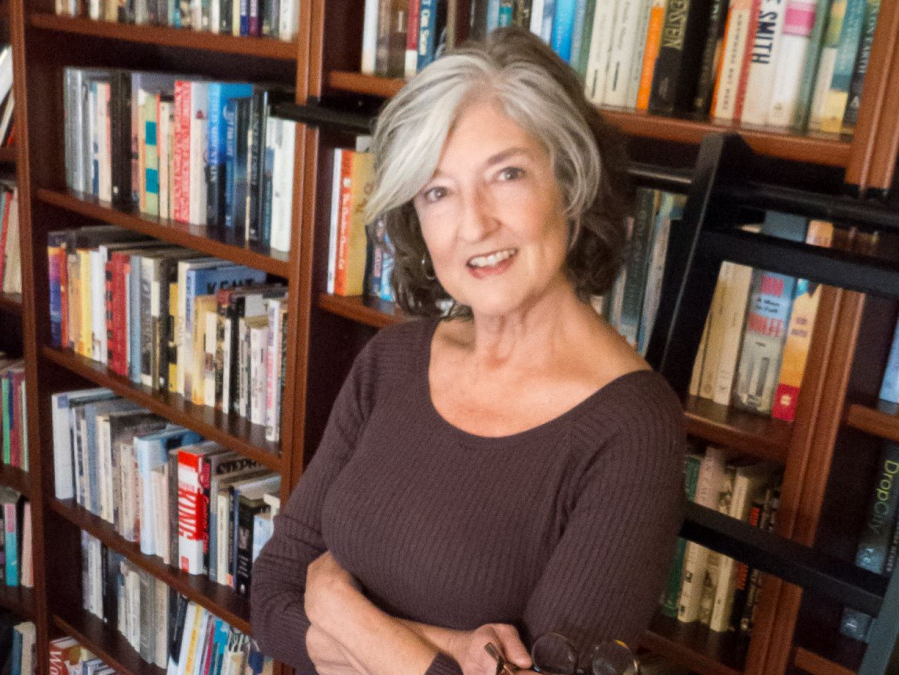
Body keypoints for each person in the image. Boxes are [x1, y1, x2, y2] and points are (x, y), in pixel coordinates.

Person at [250, 27, 685, 675]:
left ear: (569, 182)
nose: (474, 224)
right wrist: (444, 649)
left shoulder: (631, 426)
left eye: (507, 173)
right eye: (437, 191)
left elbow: (303, 593)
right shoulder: (392, 360)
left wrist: (335, 601)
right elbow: (271, 594)